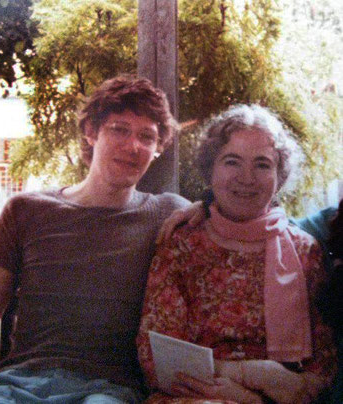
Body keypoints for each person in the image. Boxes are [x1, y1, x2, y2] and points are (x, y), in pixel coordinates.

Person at [0, 75, 190, 403]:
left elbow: (232, 219)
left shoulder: (167, 214)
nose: (133, 147)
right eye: (119, 129)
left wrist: (208, 206)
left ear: (158, 148)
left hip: (110, 390)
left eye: (147, 136)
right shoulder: (26, 211)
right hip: (20, 384)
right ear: (91, 132)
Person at [137, 104, 337, 403]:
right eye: (232, 162)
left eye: (262, 164)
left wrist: (258, 399)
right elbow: (156, 358)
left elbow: (322, 369)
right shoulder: (181, 243)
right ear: (210, 169)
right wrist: (247, 375)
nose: (247, 177)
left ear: (280, 176)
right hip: (197, 395)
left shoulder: (305, 250)